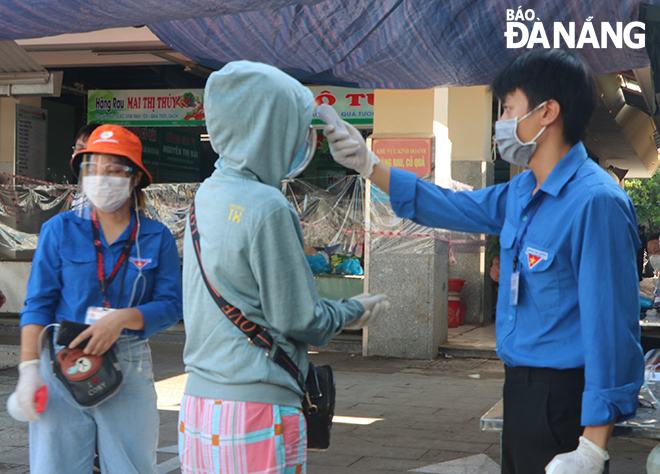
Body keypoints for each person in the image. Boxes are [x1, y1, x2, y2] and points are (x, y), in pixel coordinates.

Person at [323, 48, 643, 474]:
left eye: (508, 108)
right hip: (520, 389)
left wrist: (592, 445)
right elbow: (448, 205)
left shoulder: (595, 201)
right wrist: (370, 165)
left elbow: (612, 328)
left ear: (547, 112)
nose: (501, 122)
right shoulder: (521, 191)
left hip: (564, 400)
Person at [178, 61, 388, 474]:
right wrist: (353, 310)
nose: (301, 142)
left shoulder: (204, 198)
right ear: (268, 129)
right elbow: (298, 318)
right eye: (293, 128)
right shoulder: (267, 206)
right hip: (256, 409)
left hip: (198, 407)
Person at [12, 124, 183, 474]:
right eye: (91, 168)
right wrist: (29, 370)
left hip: (128, 362)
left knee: (130, 467)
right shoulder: (59, 229)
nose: (101, 177)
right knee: (55, 466)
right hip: (61, 360)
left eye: (113, 169)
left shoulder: (155, 237)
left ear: (135, 177)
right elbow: (38, 304)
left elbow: (171, 304)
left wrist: (121, 318)